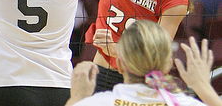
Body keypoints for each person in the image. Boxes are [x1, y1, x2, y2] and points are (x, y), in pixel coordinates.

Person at [66, 20, 222, 106]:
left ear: (119, 64)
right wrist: (202, 86)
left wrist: (77, 98)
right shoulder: (185, 104)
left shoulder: (97, 103)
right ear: (168, 65)